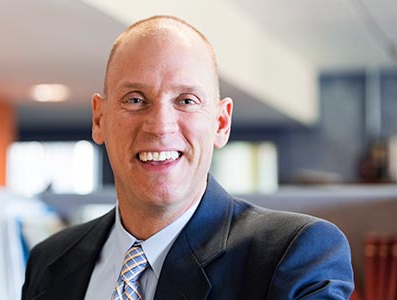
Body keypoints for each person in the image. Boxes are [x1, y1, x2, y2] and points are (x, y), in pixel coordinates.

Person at [22, 15, 354, 300]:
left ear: (221, 123)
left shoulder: (295, 255)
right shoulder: (50, 260)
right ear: (99, 119)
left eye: (186, 100)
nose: (159, 126)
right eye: (135, 100)